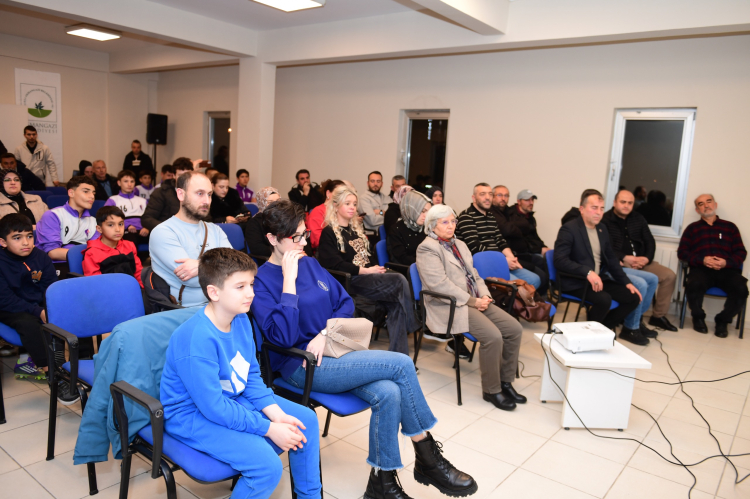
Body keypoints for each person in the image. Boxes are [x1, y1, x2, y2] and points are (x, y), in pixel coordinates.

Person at [251, 201, 477, 499]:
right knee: (401, 364)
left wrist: (324, 333)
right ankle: (428, 458)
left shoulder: (310, 264)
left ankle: (382, 484)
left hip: (334, 349)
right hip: (300, 366)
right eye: (296, 237)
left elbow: (345, 303)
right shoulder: (261, 281)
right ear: (272, 239)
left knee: (390, 392)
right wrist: (289, 282)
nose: (303, 243)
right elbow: (283, 337)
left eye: (305, 234)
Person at [160, 247, 321, 499]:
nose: (251, 293)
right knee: (267, 467)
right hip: (192, 415)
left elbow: (251, 377)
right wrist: (269, 428)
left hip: (232, 398)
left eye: (251, 284)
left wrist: (277, 415)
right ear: (214, 292)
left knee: (306, 420)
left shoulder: (241, 318)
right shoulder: (195, 339)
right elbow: (213, 408)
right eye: (240, 287)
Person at [417, 204, 525, 411]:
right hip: (448, 305)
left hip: (474, 300)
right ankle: (491, 390)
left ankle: (505, 382)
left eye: (453, 221)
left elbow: (474, 274)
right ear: (432, 225)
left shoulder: (459, 243)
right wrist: (473, 301)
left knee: (514, 329)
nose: (451, 226)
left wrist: (484, 295)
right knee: (493, 336)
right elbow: (439, 285)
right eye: (445, 222)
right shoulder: (427, 248)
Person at [317, 188, 419, 355]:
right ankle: (412, 323)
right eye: (347, 203)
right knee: (399, 280)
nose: (352, 207)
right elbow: (334, 264)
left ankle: (399, 356)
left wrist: (376, 269)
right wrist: (364, 271)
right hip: (351, 280)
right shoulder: (329, 232)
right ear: (335, 206)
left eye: (354, 204)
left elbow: (368, 257)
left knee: (396, 302)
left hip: (368, 278)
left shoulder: (355, 230)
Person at [553, 189, 645, 344]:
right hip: (576, 281)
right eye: (594, 208)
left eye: (602, 208)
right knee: (604, 299)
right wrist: (587, 272)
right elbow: (560, 260)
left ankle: (600, 330)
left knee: (633, 297)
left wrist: (627, 282)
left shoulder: (602, 229)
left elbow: (612, 259)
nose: (599, 212)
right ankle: (590, 337)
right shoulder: (569, 229)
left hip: (597, 279)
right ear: (582, 209)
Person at [149, 171, 232, 307]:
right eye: (200, 193)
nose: (207, 201)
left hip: (221, 305)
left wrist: (200, 265)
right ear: (181, 194)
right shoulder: (163, 232)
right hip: (186, 310)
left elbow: (235, 268)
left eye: (209, 194)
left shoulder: (215, 230)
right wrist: (221, 265)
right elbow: (191, 280)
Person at [602, 189, 678, 332]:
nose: (626, 206)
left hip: (642, 262)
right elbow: (605, 247)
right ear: (614, 202)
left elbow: (650, 240)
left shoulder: (638, 218)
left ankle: (656, 316)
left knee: (669, 276)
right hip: (621, 263)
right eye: (623, 202)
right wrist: (624, 257)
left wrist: (646, 258)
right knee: (643, 282)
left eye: (630, 203)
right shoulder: (605, 220)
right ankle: (632, 320)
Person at [678, 194, 748, 337]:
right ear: (697, 210)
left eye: (709, 201)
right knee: (693, 285)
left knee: (741, 289)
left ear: (715, 205)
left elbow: (741, 252)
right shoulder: (692, 229)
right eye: (701, 204)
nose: (706, 205)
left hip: (727, 270)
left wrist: (726, 263)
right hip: (701, 269)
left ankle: (723, 321)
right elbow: (682, 253)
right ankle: (698, 318)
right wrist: (702, 260)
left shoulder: (730, 227)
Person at [0, 213, 56, 381]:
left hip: (36, 304)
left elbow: (50, 288)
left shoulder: (41, 257)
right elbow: (6, 299)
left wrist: (46, 308)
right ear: (3, 242)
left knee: (68, 312)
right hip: (10, 308)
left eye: (29, 236)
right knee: (28, 323)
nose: (26, 242)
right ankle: (51, 372)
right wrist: (38, 311)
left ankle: (78, 361)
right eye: (17, 238)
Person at [455, 183, 542, 288]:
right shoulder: (466, 216)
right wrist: (503, 260)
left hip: (500, 260)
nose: (487, 197)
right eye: (482, 194)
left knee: (535, 279)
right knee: (517, 287)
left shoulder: (491, 216)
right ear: (474, 198)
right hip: (482, 264)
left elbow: (500, 241)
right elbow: (475, 246)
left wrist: (511, 259)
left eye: (490, 194)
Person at [36, 176, 98, 262]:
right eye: (86, 191)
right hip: (56, 266)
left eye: (93, 193)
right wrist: (89, 255)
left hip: (83, 264)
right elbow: (52, 253)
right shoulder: (53, 215)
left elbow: (95, 249)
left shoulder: (93, 221)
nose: (92, 196)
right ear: (71, 193)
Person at [82, 206, 144, 287]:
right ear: (99, 229)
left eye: (120, 224)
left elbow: (138, 273)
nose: (118, 229)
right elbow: (95, 284)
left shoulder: (129, 245)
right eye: (111, 225)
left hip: (132, 289)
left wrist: (143, 290)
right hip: (108, 291)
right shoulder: (92, 253)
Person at [503, 189, 550, 295]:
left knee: (548, 260)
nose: (531, 203)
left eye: (532, 200)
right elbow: (520, 241)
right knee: (541, 272)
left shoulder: (530, 217)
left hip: (529, 252)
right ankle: (539, 298)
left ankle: (542, 297)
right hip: (519, 254)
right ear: (519, 201)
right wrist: (539, 249)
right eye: (527, 200)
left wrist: (544, 247)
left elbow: (535, 237)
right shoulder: (511, 216)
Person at [142, 158, 194, 232]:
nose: (184, 179)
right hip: (168, 233)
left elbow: (206, 218)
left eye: (187, 175)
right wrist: (168, 229)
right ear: (174, 175)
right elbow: (147, 218)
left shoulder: (197, 193)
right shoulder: (161, 192)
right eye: (180, 175)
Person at [104, 170, 149, 245]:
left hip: (144, 230)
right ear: (119, 183)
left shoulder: (143, 201)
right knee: (130, 241)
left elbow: (150, 217)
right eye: (126, 181)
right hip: (124, 231)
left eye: (132, 181)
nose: (129, 184)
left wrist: (147, 227)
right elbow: (107, 218)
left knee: (159, 238)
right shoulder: (113, 200)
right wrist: (126, 225)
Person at [387, 190, 431, 266]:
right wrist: (426, 263)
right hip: (408, 269)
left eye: (428, 212)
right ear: (411, 210)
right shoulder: (396, 230)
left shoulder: (426, 227)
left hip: (425, 266)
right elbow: (402, 258)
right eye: (422, 211)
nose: (426, 215)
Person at [307, 179, 344, 250]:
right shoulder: (317, 211)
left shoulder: (342, 211)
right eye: (338, 193)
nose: (342, 197)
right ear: (328, 193)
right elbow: (316, 240)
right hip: (326, 250)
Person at [245, 187, 280, 258]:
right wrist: (280, 251)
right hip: (269, 259)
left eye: (278, 201)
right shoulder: (254, 223)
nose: (275, 205)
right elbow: (257, 248)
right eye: (270, 202)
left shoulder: (282, 218)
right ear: (262, 203)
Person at [358, 171, 390, 237]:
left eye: (378, 181)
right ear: (368, 183)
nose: (375, 184)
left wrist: (380, 212)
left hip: (387, 234)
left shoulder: (387, 198)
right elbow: (373, 221)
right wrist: (384, 213)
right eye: (372, 181)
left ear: (382, 184)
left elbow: (393, 216)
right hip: (372, 236)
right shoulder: (363, 199)